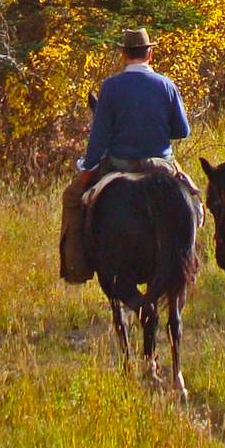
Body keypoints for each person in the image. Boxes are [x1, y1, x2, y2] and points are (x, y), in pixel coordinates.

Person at [59, 29, 193, 283]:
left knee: (72, 197)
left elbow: (99, 138)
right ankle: (192, 258)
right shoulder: (167, 85)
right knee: (194, 200)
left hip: (120, 163)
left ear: (123, 54)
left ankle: (77, 267)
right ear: (150, 53)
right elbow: (182, 130)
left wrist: (87, 165)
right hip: (160, 165)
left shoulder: (110, 87)